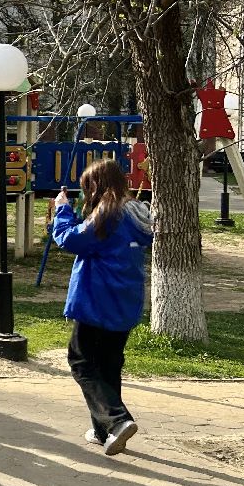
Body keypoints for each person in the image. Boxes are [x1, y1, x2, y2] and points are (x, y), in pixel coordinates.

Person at [50, 159, 152, 457]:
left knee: (81, 363)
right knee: (108, 366)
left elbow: (71, 239)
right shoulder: (136, 212)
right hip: (125, 302)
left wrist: (62, 210)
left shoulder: (108, 214)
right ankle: (103, 430)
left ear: (95, 186)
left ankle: (118, 420)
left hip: (97, 301)